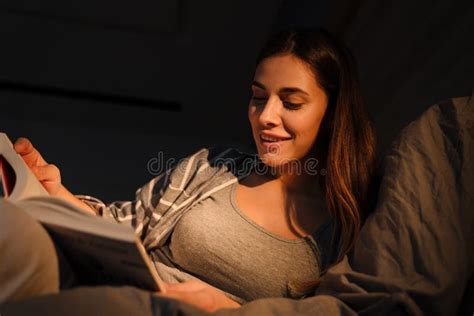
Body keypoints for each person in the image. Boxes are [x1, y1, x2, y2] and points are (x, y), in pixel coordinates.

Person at [5, 27, 378, 311]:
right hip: (119, 290)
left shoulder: (347, 226)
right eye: (258, 97)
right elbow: (120, 227)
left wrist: (229, 311)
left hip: (152, 309)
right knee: (13, 227)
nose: (265, 117)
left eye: (291, 103)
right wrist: (54, 190)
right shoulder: (214, 166)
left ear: (332, 115)